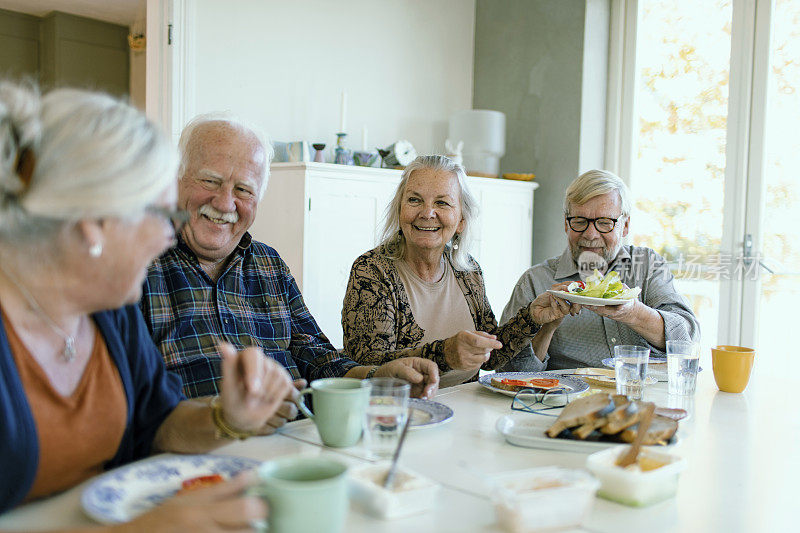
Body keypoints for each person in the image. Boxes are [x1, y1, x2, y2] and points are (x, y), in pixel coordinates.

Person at [0, 83, 289, 526]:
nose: (169, 237)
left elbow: (159, 424)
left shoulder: (107, 310)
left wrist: (226, 417)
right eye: (160, 216)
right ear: (94, 223)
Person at [140, 115, 439, 400]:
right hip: (198, 450)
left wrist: (378, 377)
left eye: (243, 189)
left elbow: (319, 358)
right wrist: (224, 418)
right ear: (175, 179)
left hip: (294, 438)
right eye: (210, 181)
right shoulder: (139, 265)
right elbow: (132, 401)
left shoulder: (269, 265)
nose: (224, 202)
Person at [341, 155, 579, 387]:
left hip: (467, 406)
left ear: (461, 220)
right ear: (399, 209)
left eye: (442, 203)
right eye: (414, 200)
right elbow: (368, 366)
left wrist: (533, 317)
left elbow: (491, 356)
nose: (427, 213)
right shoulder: (371, 271)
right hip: (402, 410)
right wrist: (445, 354)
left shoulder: (468, 270)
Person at [500, 169, 700, 370]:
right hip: (571, 399)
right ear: (566, 224)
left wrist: (632, 313)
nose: (590, 234)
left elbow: (688, 340)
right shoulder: (535, 282)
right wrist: (546, 328)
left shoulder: (648, 266)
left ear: (626, 225)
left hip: (643, 396)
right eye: (579, 221)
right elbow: (505, 374)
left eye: (604, 223)